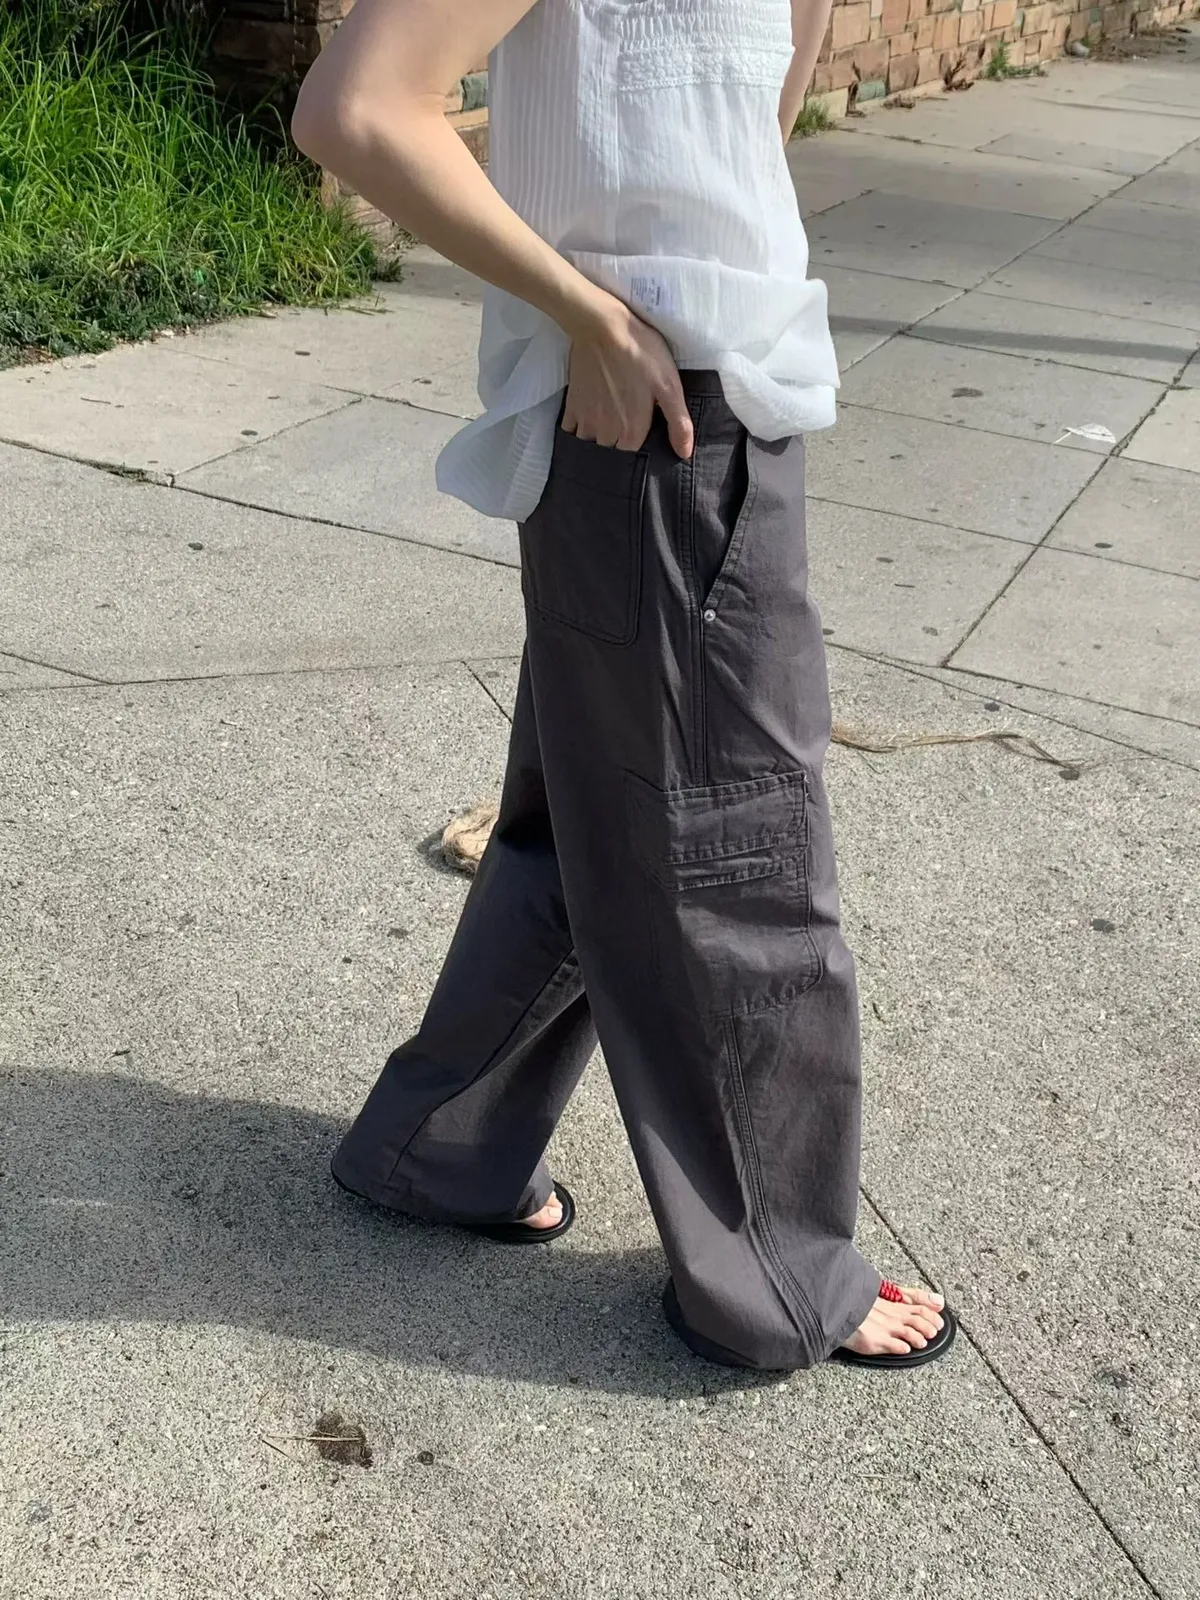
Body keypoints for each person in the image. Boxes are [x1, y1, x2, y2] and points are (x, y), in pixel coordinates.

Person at [293, 0, 955, 1371]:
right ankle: (779, 1276)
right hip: (657, 406)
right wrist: (587, 313)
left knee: (587, 821)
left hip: (714, 391)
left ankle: (438, 1146)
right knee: (737, 856)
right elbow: (356, 110)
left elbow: (753, 115)